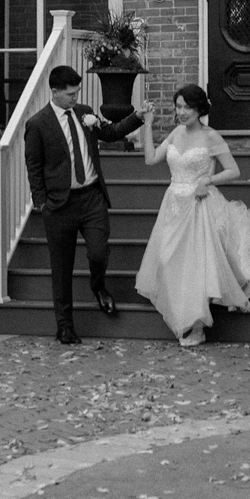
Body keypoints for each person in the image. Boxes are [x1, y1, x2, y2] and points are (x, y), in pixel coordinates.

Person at [23, 65, 148, 345]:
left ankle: (98, 287)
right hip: (59, 204)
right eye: (70, 94)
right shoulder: (38, 124)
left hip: (91, 197)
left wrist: (137, 117)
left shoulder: (84, 113)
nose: (75, 98)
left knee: (99, 252)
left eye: (77, 92)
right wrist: (42, 204)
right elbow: (33, 166)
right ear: (54, 92)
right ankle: (65, 326)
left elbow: (111, 132)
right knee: (62, 267)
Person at [134, 83, 250, 346]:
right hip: (173, 205)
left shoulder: (211, 136)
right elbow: (151, 159)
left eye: (187, 107)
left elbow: (234, 171)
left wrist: (207, 180)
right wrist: (147, 124)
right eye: (178, 107)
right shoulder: (175, 133)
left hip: (199, 204)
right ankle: (183, 316)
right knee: (169, 259)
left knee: (196, 265)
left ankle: (197, 327)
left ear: (199, 109)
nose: (182, 112)